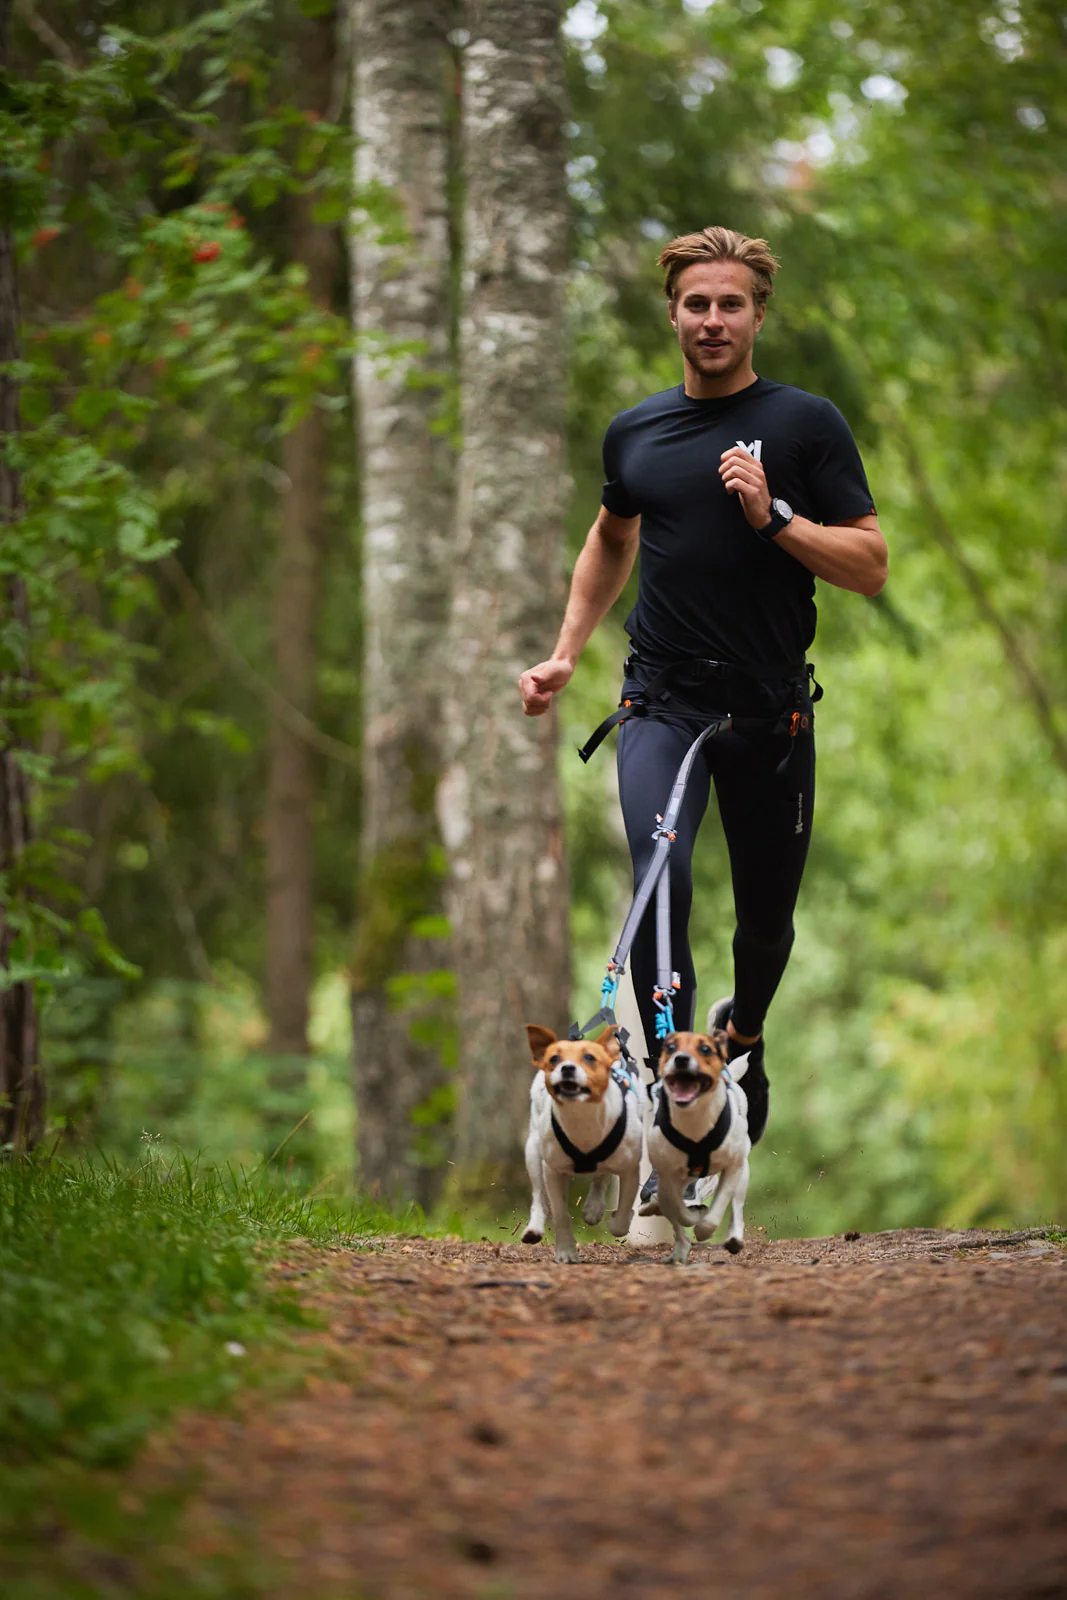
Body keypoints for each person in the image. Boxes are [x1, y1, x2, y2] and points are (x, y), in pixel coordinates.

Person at [518, 226, 887, 1159]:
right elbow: (611, 535)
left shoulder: (805, 425)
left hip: (771, 713)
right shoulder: (637, 431)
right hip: (661, 705)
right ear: (672, 314)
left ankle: (744, 1039)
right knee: (659, 879)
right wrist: (566, 652)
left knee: (765, 924)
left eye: (730, 304)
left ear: (758, 313)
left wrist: (775, 516)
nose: (712, 320)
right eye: (696, 303)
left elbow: (869, 565)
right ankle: (666, 1100)